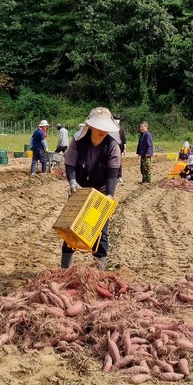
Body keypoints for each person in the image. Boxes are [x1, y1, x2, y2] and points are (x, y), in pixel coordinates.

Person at [62, 107, 121, 270]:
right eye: (99, 127)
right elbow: (70, 164)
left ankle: (99, 271)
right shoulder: (78, 142)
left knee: (100, 230)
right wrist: (73, 182)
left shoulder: (112, 146)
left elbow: (112, 174)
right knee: (70, 227)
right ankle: (64, 270)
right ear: (91, 126)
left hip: (100, 191)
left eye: (105, 128)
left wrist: (109, 195)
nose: (102, 131)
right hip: (79, 189)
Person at [113, 114, 126, 183]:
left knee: (119, 163)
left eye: (118, 119)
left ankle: (119, 176)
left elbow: (124, 140)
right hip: (111, 148)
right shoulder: (110, 128)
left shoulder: (121, 129)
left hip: (119, 149)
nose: (117, 121)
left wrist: (124, 149)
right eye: (115, 119)